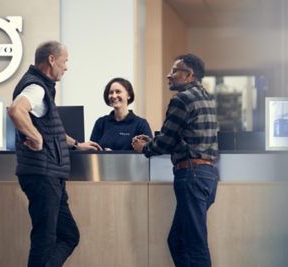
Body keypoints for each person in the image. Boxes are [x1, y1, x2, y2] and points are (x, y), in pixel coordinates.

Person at [8, 41, 101, 267]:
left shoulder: (43, 87)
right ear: (51, 59)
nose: (66, 67)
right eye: (65, 60)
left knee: (69, 235)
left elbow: (51, 131)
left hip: (50, 175)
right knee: (45, 238)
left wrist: (77, 144)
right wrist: (35, 137)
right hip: (42, 174)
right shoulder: (36, 87)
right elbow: (16, 110)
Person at [132, 54, 219, 267]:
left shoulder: (182, 99)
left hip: (191, 175)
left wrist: (145, 147)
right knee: (178, 240)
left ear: (188, 75)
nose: (168, 75)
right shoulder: (205, 96)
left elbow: (166, 142)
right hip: (206, 176)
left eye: (174, 71)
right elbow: (183, 137)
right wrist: (156, 141)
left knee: (193, 243)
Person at [90, 77, 152, 150]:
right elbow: (92, 151)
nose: (114, 96)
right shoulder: (101, 123)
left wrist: (113, 155)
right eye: (111, 92)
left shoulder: (140, 124)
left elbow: (148, 151)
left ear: (128, 95)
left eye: (118, 92)